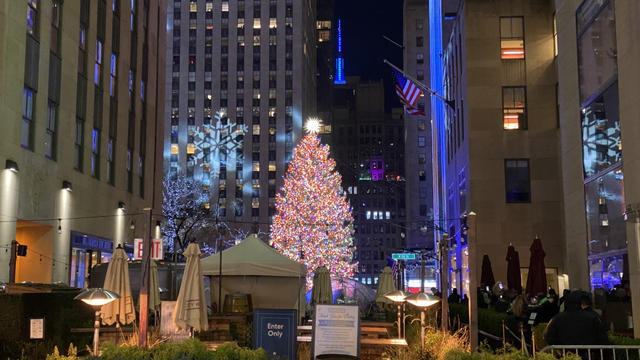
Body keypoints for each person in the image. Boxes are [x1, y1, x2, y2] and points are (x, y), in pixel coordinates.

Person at [545, 291, 608, 359]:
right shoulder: (592, 317)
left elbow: (549, 337)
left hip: (566, 354)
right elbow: (602, 337)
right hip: (588, 354)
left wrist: (560, 346)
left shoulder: (557, 318)